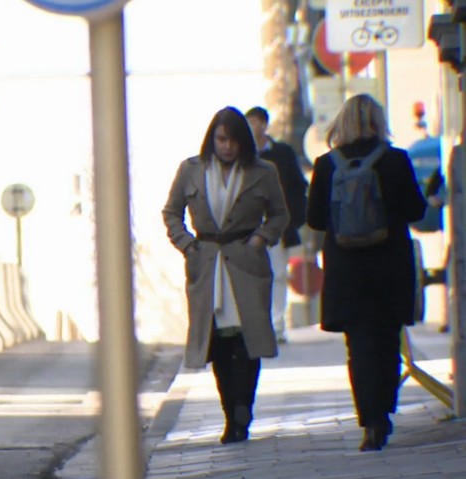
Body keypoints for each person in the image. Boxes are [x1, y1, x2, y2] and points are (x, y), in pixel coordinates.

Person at [306, 94, 426, 452]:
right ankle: (383, 415)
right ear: (378, 121)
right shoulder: (396, 160)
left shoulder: (326, 165)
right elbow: (416, 211)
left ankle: (369, 421)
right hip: (390, 265)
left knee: (358, 346)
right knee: (388, 341)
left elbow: (314, 219)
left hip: (347, 270)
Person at [162, 106, 289, 445]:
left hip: (246, 263)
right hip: (207, 264)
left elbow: (279, 214)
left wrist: (260, 239)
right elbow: (172, 212)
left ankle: (244, 408)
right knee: (218, 343)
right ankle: (230, 414)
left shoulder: (263, 172)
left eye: (233, 140)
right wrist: (188, 245)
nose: (227, 146)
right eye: (221, 139)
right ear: (212, 139)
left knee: (247, 341)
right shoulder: (191, 170)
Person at [245, 107, 309, 343]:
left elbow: (297, 185)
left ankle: (277, 325)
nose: (251, 128)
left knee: (278, 274)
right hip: (248, 224)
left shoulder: (282, 153)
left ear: (264, 124)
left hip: (275, 223)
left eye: (254, 122)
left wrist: (295, 218)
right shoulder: (240, 155)